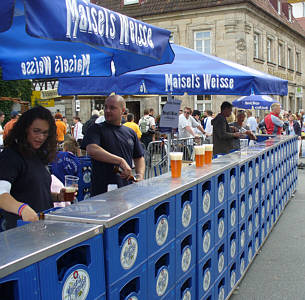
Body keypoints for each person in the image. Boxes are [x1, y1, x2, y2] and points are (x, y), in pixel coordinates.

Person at [0, 106, 69, 230]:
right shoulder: (10, 156)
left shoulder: (37, 154)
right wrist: (22, 209)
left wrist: (57, 197)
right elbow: (1, 194)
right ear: (25, 129)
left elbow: (32, 190)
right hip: (20, 232)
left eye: (45, 133)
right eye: (36, 131)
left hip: (42, 228)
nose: (41, 137)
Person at [82, 95, 145, 196]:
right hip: (102, 191)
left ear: (123, 110)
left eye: (112, 108)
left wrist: (140, 175)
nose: (107, 110)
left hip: (126, 190)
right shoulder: (96, 128)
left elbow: (139, 157)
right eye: (105, 107)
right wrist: (120, 161)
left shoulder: (130, 132)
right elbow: (92, 150)